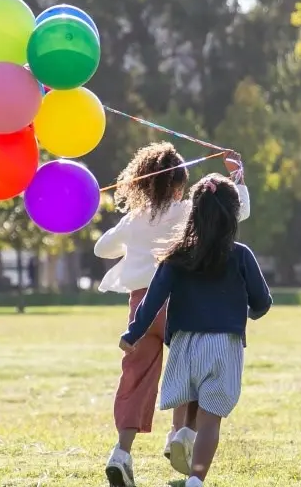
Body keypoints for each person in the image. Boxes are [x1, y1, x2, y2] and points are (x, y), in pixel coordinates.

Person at [95, 142, 249, 487]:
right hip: (179, 304)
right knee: (192, 371)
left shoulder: (134, 219)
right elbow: (237, 213)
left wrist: (131, 232)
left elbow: (101, 248)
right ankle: (180, 435)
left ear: (142, 184)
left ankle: (121, 452)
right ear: (180, 185)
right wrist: (238, 177)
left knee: (135, 378)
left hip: (140, 308)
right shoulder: (186, 212)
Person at [119, 174, 272, 487]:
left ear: (194, 212)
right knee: (211, 420)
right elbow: (262, 301)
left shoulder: (177, 255)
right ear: (232, 214)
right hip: (223, 345)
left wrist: (132, 334)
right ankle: (196, 479)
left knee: (189, 396)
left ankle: (182, 432)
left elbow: (152, 300)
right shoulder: (241, 254)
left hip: (184, 343)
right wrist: (250, 312)